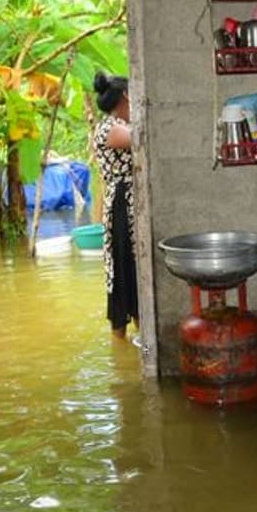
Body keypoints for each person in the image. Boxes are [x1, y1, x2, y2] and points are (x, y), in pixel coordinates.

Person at [91, 72, 138, 339]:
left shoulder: (113, 125)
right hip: (122, 203)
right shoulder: (111, 127)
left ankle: (130, 349)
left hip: (126, 202)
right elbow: (140, 137)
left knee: (128, 266)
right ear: (124, 98)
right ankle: (121, 338)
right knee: (123, 266)